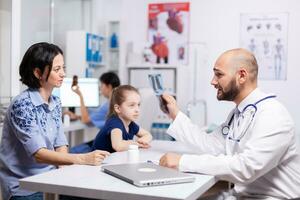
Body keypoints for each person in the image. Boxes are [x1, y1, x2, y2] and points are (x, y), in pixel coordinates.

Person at [159, 48, 300, 199]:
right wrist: (174, 114)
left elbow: (247, 168)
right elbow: (211, 145)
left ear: (241, 75)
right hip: (244, 195)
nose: (213, 81)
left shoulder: (272, 114)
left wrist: (183, 162)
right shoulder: (239, 113)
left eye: (219, 74)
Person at [0, 42, 110, 200]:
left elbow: (60, 143)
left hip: (49, 178)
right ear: (38, 73)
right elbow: (38, 154)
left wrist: (65, 174)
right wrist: (82, 159)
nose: (63, 74)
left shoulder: (56, 102)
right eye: (57, 69)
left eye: (63, 68)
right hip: (23, 185)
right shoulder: (22, 104)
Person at [64, 72, 120, 153]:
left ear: (109, 86)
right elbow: (96, 115)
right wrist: (77, 116)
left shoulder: (108, 105)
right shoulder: (115, 103)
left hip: (106, 146)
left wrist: (80, 95)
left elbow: (86, 120)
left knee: (72, 151)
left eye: (102, 85)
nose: (100, 88)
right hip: (110, 144)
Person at [92, 85, 152, 153]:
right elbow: (118, 146)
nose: (137, 110)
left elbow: (148, 135)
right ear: (118, 108)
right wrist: (137, 144)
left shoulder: (130, 124)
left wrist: (142, 141)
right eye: (132, 105)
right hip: (99, 162)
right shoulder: (114, 122)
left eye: (138, 105)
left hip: (113, 160)